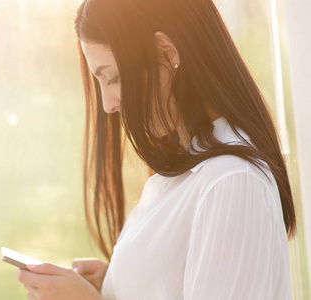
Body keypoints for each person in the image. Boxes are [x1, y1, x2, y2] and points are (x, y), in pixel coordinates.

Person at [17, 0, 297, 299]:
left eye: (113, 77)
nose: (107, 105)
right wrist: (118, 283)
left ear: (165, 51)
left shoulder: (231, 181)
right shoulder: (188, 167)